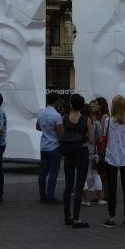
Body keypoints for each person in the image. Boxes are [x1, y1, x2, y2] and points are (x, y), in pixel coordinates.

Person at [60, 94, 93, 228]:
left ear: (71, 104)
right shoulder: (86, 120)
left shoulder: (64, 119)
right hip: (81, 152)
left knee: (68, 186)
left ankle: (67, 216)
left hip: (68, 153)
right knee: (79, 186)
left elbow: (62, 135)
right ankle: (77, 219)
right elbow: (91, 140)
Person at [103, 95, 125, 228]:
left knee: (112, 188)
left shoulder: (109, 121)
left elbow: (105, 135)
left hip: (111, 157)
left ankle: (111, 218)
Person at [36, 93, 63, 204]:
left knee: (42, 173)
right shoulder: (56, 116)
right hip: (54, 147)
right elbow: (60, 133)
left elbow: (37, 127)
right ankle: (50, 196)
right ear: (56, 101)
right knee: (53, 173)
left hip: (44, 146)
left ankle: (42, 195)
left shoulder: (41, 113)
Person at [83, 102, 105, 206]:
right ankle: (100, 199)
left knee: (83, 175)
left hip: (83, 151)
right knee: (96, 175)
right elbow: (99, 138)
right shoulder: (97, 123)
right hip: (94, 151)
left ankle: (86, 200)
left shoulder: (82, 122)